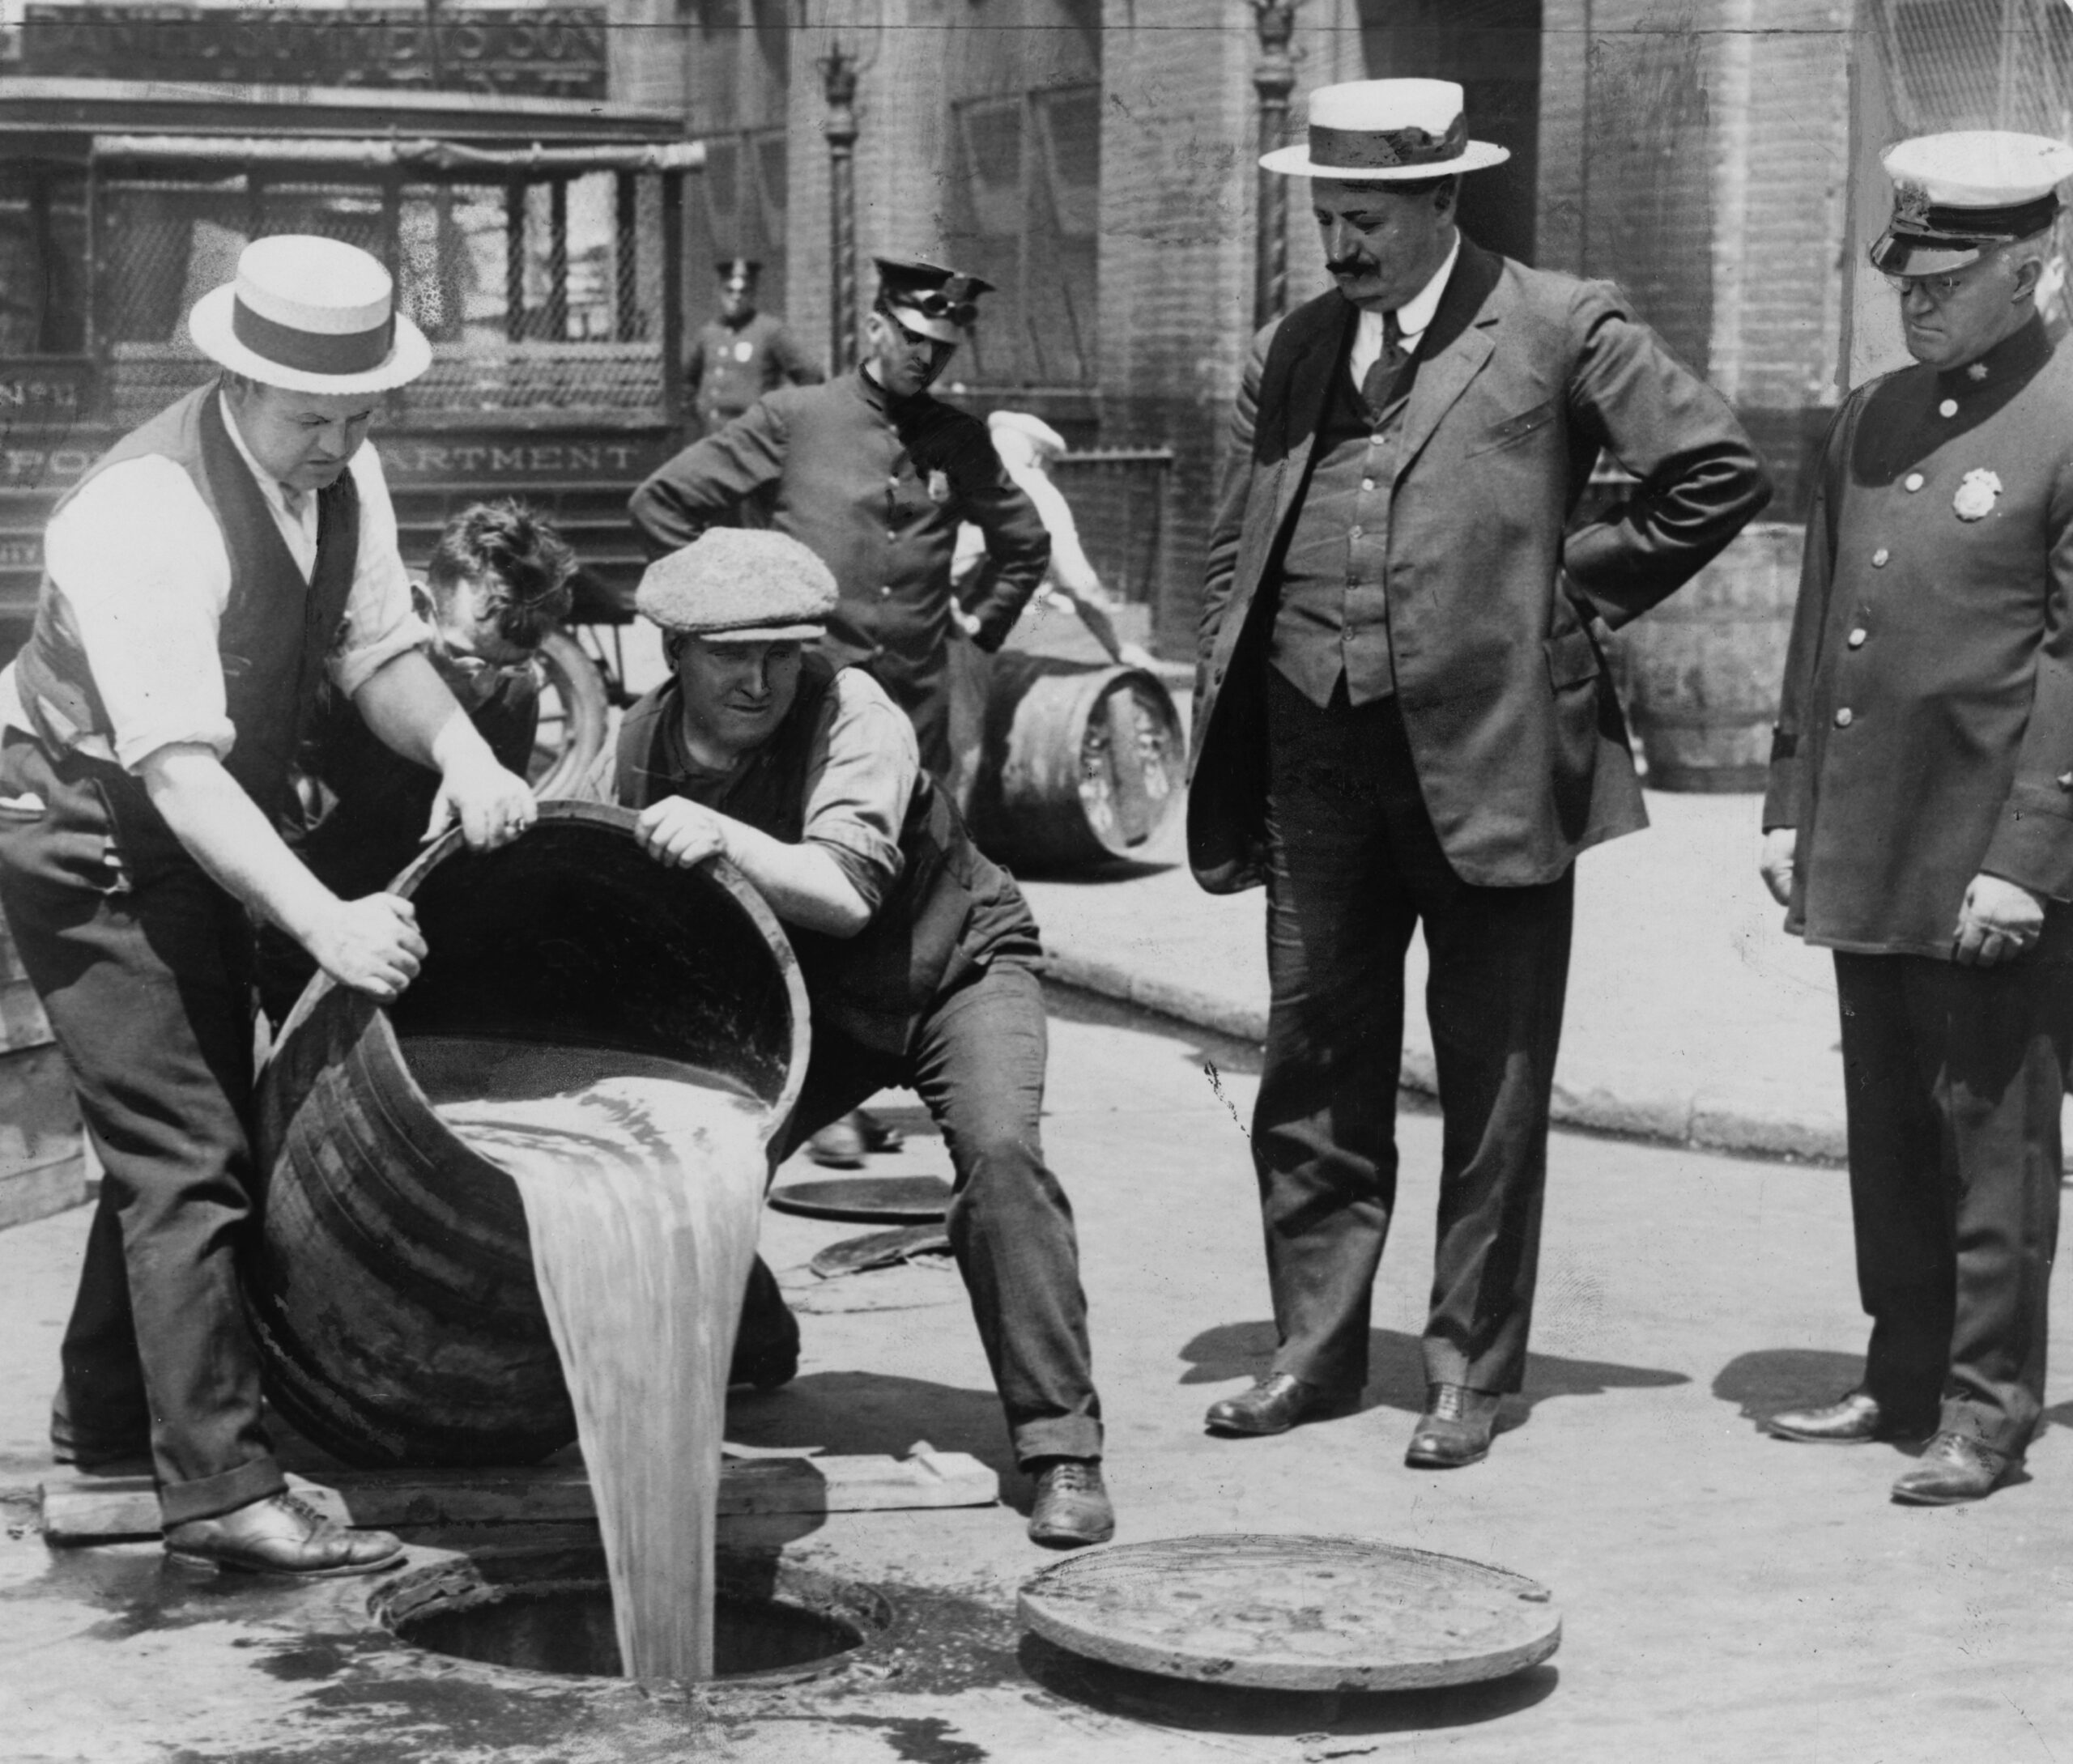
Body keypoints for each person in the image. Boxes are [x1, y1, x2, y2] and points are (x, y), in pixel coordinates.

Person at [1189, 79, 1770, 1465]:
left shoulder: (1562, 320)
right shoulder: (1296, 343)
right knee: (1313, 1059)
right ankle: (1314, 1351)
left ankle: (1470, 1366)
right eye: (1328, 216)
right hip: (1315, 751)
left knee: (1494, 1074)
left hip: (1495, 751)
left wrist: (1565, 596)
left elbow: (1714, 469)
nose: (1344, 244)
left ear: (1445, 197)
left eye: (1370, 218)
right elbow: (1235, 542)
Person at [0, 235, 537, 1575]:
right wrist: (326, 920)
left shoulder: (340, 466)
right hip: (85, 826)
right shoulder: (142, 513)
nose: (338, 442)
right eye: (312, 416)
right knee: (189, 1151)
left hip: (186, 817)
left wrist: (464, 748)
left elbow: (377, 647)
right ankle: (223, 1484)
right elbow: (177, 774)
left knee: (186, 1136)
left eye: (360, 415)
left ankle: (105, 1453)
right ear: (236, 378)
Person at [600, 525, 1113, 1548]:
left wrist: (729, 835)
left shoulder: (855, 713)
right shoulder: (641, 741)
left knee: (1001, 1161)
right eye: (730, 654)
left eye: (781, 652)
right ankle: (753, 1332)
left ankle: (1061, 1447)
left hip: (953, 966)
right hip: (818, 1001)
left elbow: (840, 892)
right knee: (694, 1147)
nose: (759, 679)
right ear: (673, 655)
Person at [1760, 131, 2073, 1506]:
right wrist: (1789, 803)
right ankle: (1902, 1371)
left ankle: (1989, 1407)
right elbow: (1823, 620)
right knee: (1887, 1122)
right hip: (1872, 833)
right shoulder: (1875, 413)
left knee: (1993, 1137)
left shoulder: (2068, 414)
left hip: (1988, 851)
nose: (1918, 295)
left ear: (2033, 265)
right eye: (1908, 270)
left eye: (1950, 274)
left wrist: (2026, 859)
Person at [628, 254, 1050, 784]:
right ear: (876, 330)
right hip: (800, 704)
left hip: (914, 709)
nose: (928, 361)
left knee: (920, 850)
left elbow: (1027, 543)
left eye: (943, 350)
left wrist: (981, 622)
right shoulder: (795, 417)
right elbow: (660, 502)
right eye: (914, 341)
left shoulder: (961, 441)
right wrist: (730, 615)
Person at [255, 499, 577, 1025]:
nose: (483, 687)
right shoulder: (333, 668)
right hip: (305, 899)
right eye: (464, 659)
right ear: (421, 606)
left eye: (510, 667)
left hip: (407, 911)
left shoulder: (514, 696)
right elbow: (281, 830)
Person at [953, 410, 1157, 671]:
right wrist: (1118, 647)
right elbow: (1082, 587)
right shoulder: (1035, 493)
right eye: (1051, 465)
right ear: (1037, 458)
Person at [686, 258, 822, 438]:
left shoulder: (770, 331)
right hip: (712, 437)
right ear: (720, 292)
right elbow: (686, 381)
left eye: (743, 291)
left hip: (753, 438)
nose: (736, 297)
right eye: (730, 290)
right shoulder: (708, 333)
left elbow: (811, 375)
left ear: (753, 293)